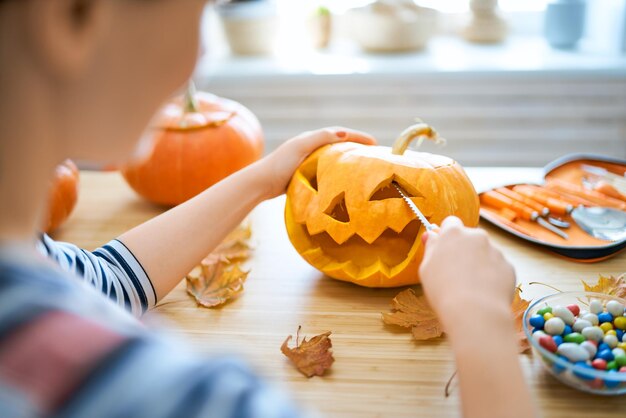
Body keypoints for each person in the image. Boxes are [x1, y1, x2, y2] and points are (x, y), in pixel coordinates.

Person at [0, 1, 536, 417]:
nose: (202, 58)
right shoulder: (160, 394)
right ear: (71, 17)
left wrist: (262, 179)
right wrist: (480, 321)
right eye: (201, 11)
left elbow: (101, 284)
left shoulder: (23, 269)